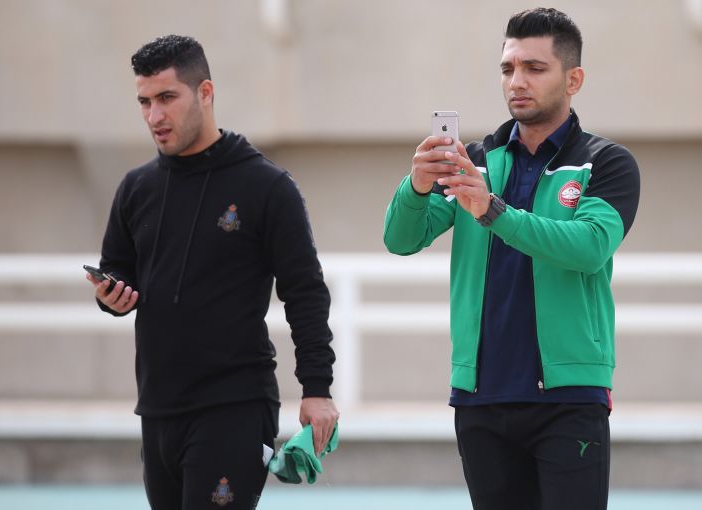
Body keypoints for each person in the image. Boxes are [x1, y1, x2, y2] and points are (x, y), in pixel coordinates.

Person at [384, 8, 640, 510]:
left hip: (569, 397)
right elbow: (401, 239)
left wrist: (493, 210)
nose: (517, 81)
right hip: (481, 397)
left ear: (573, 80)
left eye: (534, 68)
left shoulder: (605, 163)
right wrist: (416, 185)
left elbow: (589, 246)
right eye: (508, 68)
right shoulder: (475, 162)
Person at [86, 35, 339, 510]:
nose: (154, 116)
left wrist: (317, 389)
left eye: (167, 98)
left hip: (234, 407)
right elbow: (118, 269)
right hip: (158, 408)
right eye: (144, 102)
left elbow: (306, 293)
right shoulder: (136, 188)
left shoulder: (267, 186)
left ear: (205, 92)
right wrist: (111, 296)